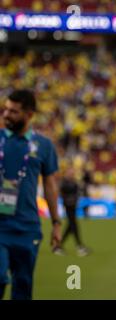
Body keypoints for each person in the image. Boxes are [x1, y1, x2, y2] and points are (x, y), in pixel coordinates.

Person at [0, 89, 61, 300]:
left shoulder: (44, 146)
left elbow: (50, 186)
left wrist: (56, 223)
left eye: (13, 111)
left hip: (27, 228)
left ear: (29, 115)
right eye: (5, 109)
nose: (6, 114)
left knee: (23, 288)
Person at [54, 167, 90, 257]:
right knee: (73, 225)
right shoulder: (64, 182)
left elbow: (77, 193)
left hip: (73, 205)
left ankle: (58, 246)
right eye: (70, 172)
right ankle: (79, 246)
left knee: (70, 226)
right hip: (68, 206)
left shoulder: (73, 182)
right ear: (66, 173)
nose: (72, 174)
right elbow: (62, 193)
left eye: (73, 172)